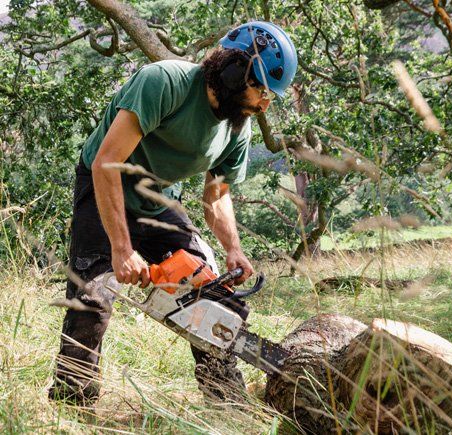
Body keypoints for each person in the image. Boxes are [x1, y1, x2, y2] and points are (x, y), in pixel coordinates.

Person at [49, 21, 297, 405]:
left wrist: (233, 248)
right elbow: (106, 163)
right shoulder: (164, 82)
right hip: (103, 186)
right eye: (262, 91)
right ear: (234, 72)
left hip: (159, 199)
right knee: (93, 299)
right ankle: (72, 403)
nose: (265, 104)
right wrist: (121, 249)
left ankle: (227, 402)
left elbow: (216, 197)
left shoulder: (237, 128)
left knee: (208, 291)